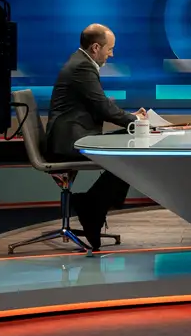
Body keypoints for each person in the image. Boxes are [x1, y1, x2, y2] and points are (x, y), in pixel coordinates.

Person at [45, 23, 146, 250]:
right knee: (131, 143)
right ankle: (93, 206)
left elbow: (98, 105)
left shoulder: (80, 62)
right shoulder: (82, 67)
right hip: (68, 141)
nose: (112, 54)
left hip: (74, 134)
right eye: (110, 49)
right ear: (95, 48)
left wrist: (131, 118)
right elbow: (102, 107)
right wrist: (136, 121)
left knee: (130, 141)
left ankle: (94, 205)